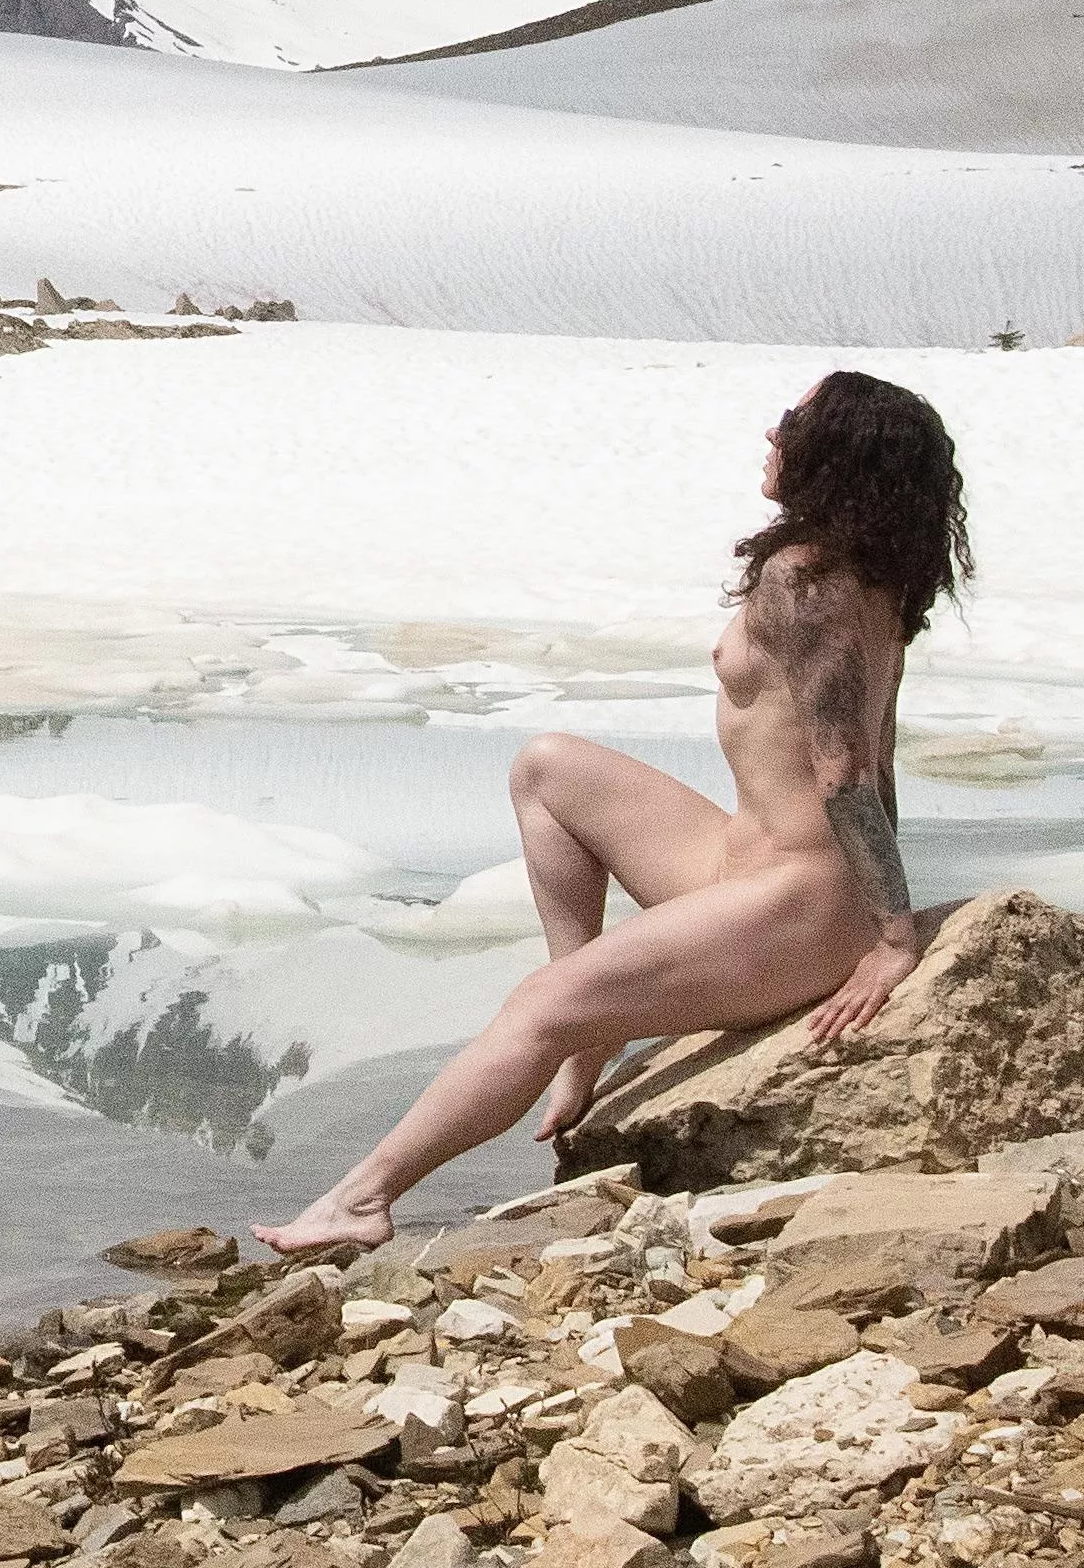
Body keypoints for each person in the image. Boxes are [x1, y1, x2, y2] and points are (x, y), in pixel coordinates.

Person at [252, 370, 969, 1256]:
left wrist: (891, 938)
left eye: (794, 420)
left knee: (538, 1004)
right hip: (748, 863)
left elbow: (849, 770)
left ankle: (363, 1199)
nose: (773, 434)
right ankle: (590, 1038)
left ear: (835, 452)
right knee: (547, 768)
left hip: (801, 899)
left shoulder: (807, 583)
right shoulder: (855, 575)